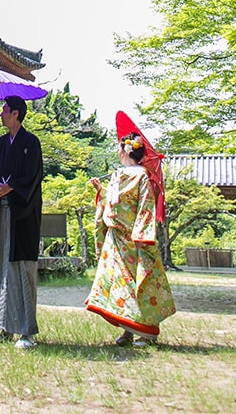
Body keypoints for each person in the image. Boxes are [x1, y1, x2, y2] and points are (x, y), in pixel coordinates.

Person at [85, 131, 175, 346]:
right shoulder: (118, 175)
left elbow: (145, 206)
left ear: (125, 151)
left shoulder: (141, 176)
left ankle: (145, 331)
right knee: (119, 284)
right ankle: (127, 330)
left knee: (137, 283)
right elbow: (112, 201)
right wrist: (100, 189)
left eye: (119, 147)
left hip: (133, 238)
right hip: (117, 237)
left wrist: (142, 235)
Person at [0, 96, 43, 349]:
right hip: (2, 215)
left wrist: (11, 187)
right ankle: (5, 327)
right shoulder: (1, 143)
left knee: (22, 269)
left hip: (22, 216)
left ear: (16, 113)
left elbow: (33, 177)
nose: (1, 114)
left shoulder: (31, 143)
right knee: (2, 267)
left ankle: (27, 332)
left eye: (5, 110)